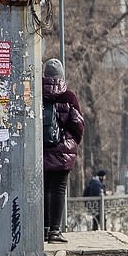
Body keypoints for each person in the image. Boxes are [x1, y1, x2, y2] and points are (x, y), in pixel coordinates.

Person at [42, 58, 85, 243]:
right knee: (58, 190)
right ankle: (54, 231)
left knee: (42, 190)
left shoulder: (36, 94)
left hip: (40, 150)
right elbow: (78, 124)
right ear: (61, 76)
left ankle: (42, 229)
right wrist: (72, 142)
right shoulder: (69, 97)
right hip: (62, 151)